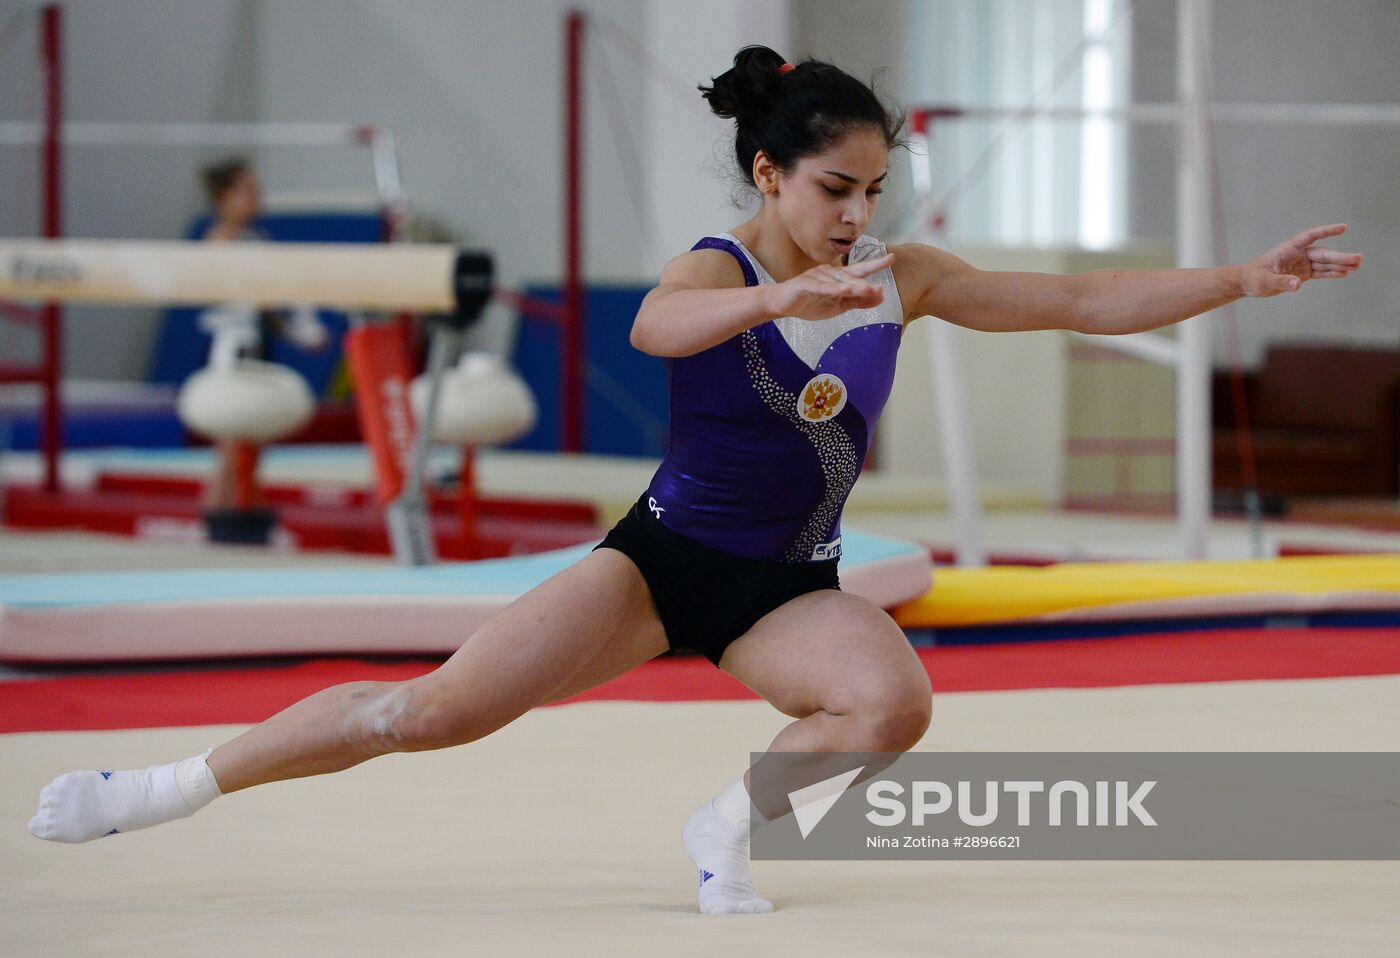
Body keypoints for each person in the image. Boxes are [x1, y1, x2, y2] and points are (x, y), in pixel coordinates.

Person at [28, 47, 1362, 914]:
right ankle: (168, 783)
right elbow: (653, 330)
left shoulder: (907, 278)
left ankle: (730, 816)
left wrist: (1240, 278)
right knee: (425, 713)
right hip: (657, 563)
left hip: (789, 582)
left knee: (892, 702)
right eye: (833, 186)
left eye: (875, 188)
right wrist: (781, 290)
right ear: (770, 172)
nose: (856, 213)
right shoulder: (721, 271)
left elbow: (1079, 295)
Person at [193, 158, 327, 542]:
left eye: (257, 190)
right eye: (247, 191)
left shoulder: (258, 241)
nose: (256, 198)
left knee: (255, 445)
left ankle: (246, 519)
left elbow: (269, 305)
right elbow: (237, 295)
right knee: (231, 448)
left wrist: (300, 332)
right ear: (223, 198)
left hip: (258, 343)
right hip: (228, 349)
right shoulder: (216, 243)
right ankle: (212, 522)